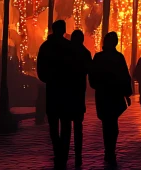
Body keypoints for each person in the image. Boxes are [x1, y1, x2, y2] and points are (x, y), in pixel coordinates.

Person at [89, 32, 132, 166]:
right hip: (115, 93)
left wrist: (96, 85)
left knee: (106, 123)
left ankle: (109, 149)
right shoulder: (118, 57)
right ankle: (110, 149)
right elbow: (124, 76)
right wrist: (127, 93)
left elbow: (92, 75)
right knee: (112, 122)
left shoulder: (99, 57)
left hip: (103, 94)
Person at [37, 20, 75, 169]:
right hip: (66, 89)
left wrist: (48, 78)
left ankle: (57, 149)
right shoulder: (68, 47)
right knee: (65, 123)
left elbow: (41, 70)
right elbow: (74, 68)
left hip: (52, 89)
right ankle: (63, 152)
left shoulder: (46, 47)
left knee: (53, 124)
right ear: (63, 30)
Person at [70, 30, 92, 167]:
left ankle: (63, 151)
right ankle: (78, 153)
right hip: (79, 91)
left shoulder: (66, 52)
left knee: (65, 123)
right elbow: (90, 71)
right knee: (78, 124)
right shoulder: (85, 53)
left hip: (66, 90)